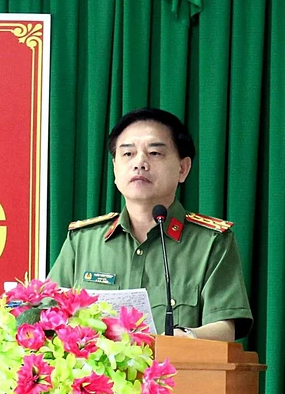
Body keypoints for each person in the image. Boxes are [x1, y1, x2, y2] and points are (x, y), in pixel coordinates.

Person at [49, 108, 252, 341]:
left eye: (154, 153)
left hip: (176, 364)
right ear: (115, 168)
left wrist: (184, 338)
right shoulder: (83, 241)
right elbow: (49, 316)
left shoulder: (210, 242)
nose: (139, 163)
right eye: (128, 154)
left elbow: (225, 328)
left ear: (183, 168)